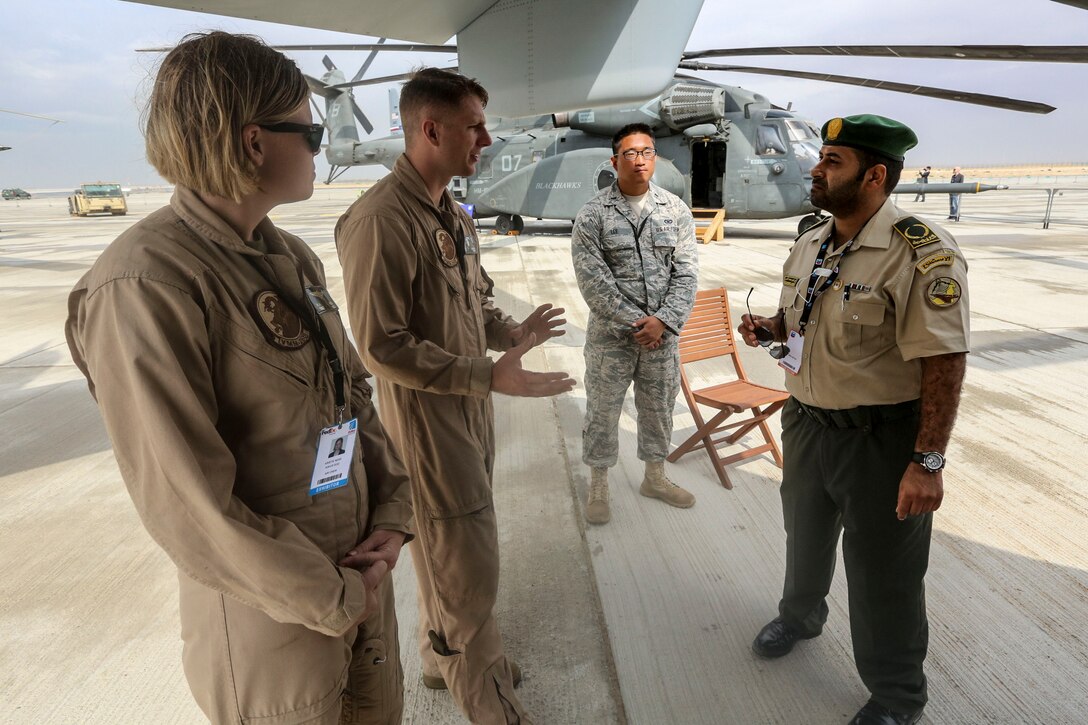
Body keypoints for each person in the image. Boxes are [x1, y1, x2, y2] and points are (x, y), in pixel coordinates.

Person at [65, 32, 414, 725]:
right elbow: (189, 503)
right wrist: (338, 596)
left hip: (356, 587)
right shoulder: (146, 284)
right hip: (276, 629)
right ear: (254, 143)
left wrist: (393, 514)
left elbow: (350, 396)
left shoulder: (289, 258)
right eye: (310, 132)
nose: (319, 148)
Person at [334, 67, 575, 725]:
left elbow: (477, 299)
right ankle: (489, 699)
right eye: (475, 125)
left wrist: (510, 332)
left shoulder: (452, 212)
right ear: (431, 128)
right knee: (467, 564)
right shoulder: (381, 219)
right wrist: (484, 374)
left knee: (448, 552)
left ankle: (443, 657)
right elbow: (381, 343)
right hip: (429, 424)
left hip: (469, 409)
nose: (487, 139)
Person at [738, 115, 969, 725]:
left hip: (879, 439)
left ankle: (896, 696)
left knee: (883, 574)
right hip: (807, 425)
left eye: (832, 160)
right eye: (820, 157)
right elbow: (806, 318)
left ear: (874, 175)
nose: (816, 168)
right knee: (804, 537)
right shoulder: (813, 239)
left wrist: (927, 463)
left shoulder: (921, 253)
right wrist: (772, 329)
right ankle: (800, 617)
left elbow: (944, 363)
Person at [571, 123, 699, 524]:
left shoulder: (675, 210)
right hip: (612, 340)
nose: (639, 159)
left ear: (655, 158)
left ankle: (655, 478)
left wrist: (662, 322)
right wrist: (638, 324)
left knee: (659, 408)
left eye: (646, 152)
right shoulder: (593, 214)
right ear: (615, 161)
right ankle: (598, 483)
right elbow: (593, 281)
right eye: (630, 153)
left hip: (662, 339)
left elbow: (687, 273)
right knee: (603, 412)